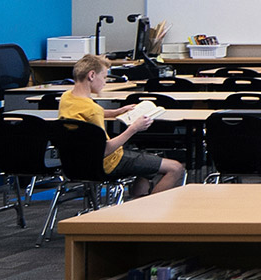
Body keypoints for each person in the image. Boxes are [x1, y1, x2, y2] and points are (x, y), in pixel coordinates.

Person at [57, 53, 185, 196]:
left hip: (76, 163)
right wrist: (134, 128)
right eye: (104, 77)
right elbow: (105, 149)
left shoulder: (67, 97)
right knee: (175, 168)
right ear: (92, 75)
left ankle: (138, 206)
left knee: (148, 167)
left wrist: (116, 112)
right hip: (108, 163)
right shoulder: (93, 110)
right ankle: (149, 208)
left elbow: (84, 113)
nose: (105, 82)